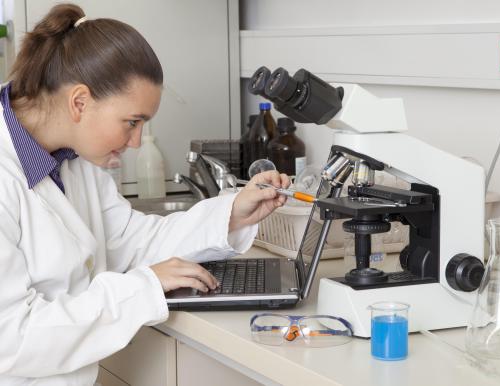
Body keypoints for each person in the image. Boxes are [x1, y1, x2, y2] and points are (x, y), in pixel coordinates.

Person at [0, 4, 290, 385]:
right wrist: (143, 289)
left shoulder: (73, 157)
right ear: (79, 102)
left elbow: (128, 241)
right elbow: (12, 341)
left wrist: (232, 212)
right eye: (131, 122)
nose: (136, 141)